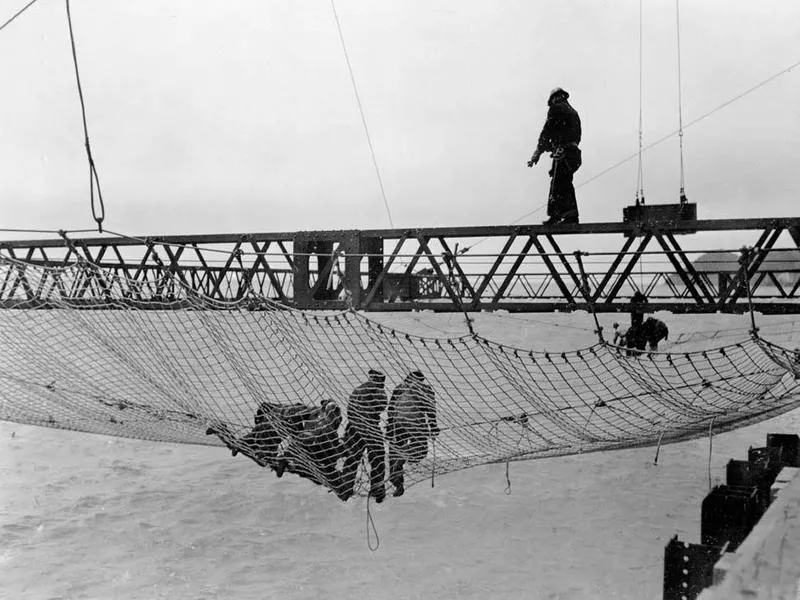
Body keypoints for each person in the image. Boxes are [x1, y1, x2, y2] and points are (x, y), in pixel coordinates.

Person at [528, 87, 582, 225]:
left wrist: (537, 153)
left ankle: (567, 216)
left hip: (564, 153)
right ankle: (558, 215)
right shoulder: (574, 113)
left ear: (554, 98)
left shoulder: (556, 109)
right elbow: (575, 135)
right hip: (573, 154)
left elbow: (547, 132)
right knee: (560, 182)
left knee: (560, 183)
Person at [387, 370, 439, 498]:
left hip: (398, 422)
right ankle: (403, 456)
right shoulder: (425, 389)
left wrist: (389, 428)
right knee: (420, 450)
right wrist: (433, 427)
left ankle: (398, 484)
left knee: (395, 450)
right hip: (415, 422)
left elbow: (391, 408)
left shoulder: (399, 388)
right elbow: (430, 409)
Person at [341, 369, 388, 502]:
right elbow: (382, 405)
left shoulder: (357, 390)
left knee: (352, 458)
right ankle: (377, 490)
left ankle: (345, 488)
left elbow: (350, 409)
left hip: (354, 428)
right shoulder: (378, 391)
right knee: (377, 458)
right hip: (371, 429)